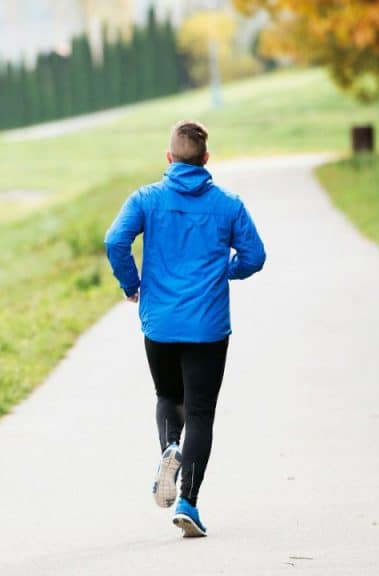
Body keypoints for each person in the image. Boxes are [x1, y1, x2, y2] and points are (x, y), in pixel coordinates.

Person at [104, 120, 266, 537]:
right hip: (208, 326)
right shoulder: (228, 205)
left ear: (169, 158)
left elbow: (115, 241)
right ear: (207, 160)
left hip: (159, 322)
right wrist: (226, 270)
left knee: (167, 396)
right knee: (201, 413)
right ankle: (188, 502)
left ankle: (169, 450)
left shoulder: (146, 199)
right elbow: (256, 256)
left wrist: (132, 285)